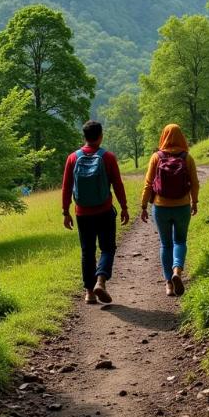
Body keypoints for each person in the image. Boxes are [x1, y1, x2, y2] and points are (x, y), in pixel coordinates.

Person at [62, 120, 130, 304]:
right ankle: (101, 280)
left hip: (82, 213)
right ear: (101, 136)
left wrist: (65, 212)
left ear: (84, 137)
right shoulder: (108, 157)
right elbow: (117, 184)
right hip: (105, 210)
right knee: (108, 248)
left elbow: (67, 187)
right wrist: (124, 207)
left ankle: (89, 293)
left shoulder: (72, 158)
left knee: (87, 251)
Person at [140, 123, 199, 297]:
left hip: (160, 207)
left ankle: (168, 284)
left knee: (166, 244)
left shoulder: (156, 157)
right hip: (182, 206)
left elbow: (148, 184)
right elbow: (195, 183)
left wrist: (143, 206)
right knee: (180, 241)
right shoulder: (187, 157)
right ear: (181, 137)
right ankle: (177, 272)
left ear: (163, 136)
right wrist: (194, 201)